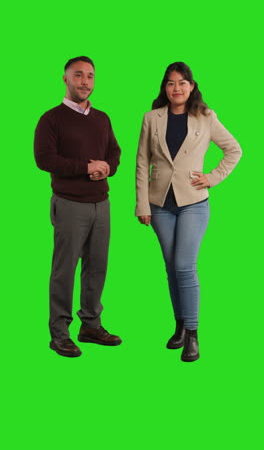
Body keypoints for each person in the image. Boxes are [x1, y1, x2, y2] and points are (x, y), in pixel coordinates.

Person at [136, 62, 242, 362]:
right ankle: (179, 325)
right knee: (171, 268)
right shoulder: (151, 118)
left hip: (194, 202)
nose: (176, 88)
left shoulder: (205, 117)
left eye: (182, 83)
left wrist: (212, 177)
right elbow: (142, 162)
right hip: (159, 205)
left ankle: (193, 334)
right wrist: (141, 203)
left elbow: (234, 149)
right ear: (164, 87)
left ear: (192, 86)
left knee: (184, 265)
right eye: (170, 83)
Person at [34, 56, 122, 357]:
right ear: (66, 79)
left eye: (90, 76)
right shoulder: (51, 119)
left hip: (102, 204)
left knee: (97, 267)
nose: (85, 82)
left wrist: (107, 167)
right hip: (70, 204)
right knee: (64, 270)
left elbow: (114, 152)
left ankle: (91, 325)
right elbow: (44, 159)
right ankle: (59, 333)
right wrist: (86, 168)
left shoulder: (102, 118)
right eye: (79, 75)